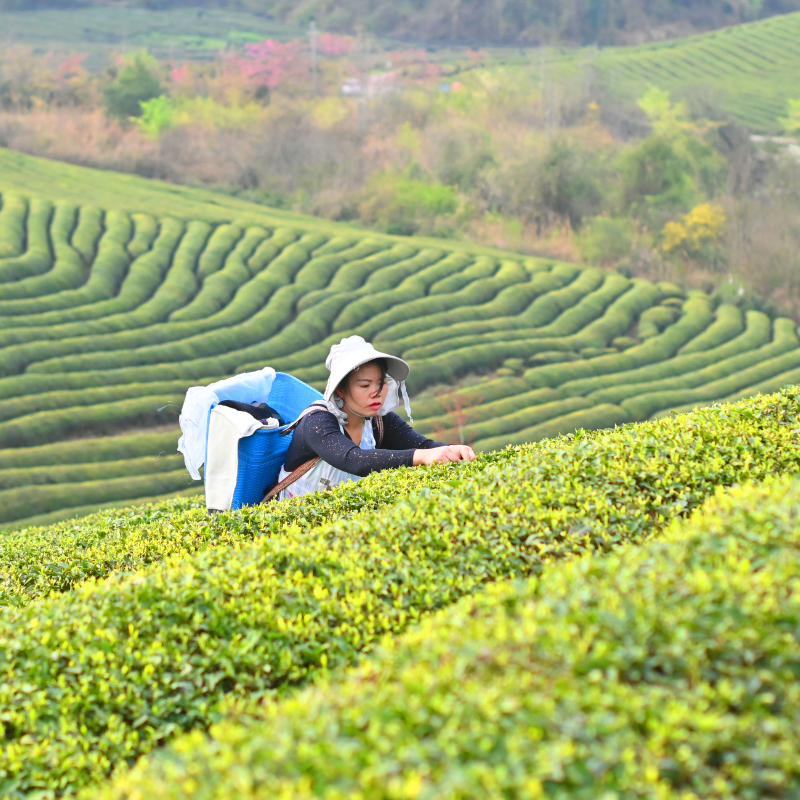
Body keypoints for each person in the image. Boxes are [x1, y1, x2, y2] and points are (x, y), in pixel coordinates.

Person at [267, 336, 475, 502]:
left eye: (381, 383)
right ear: (340, 389)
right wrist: (420, 456)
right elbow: (353, 459)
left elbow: (423, 445)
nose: (376, 393)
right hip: (297, 525)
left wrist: (452, 450)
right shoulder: (318, 422)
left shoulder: (380, 421)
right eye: (365, 386)